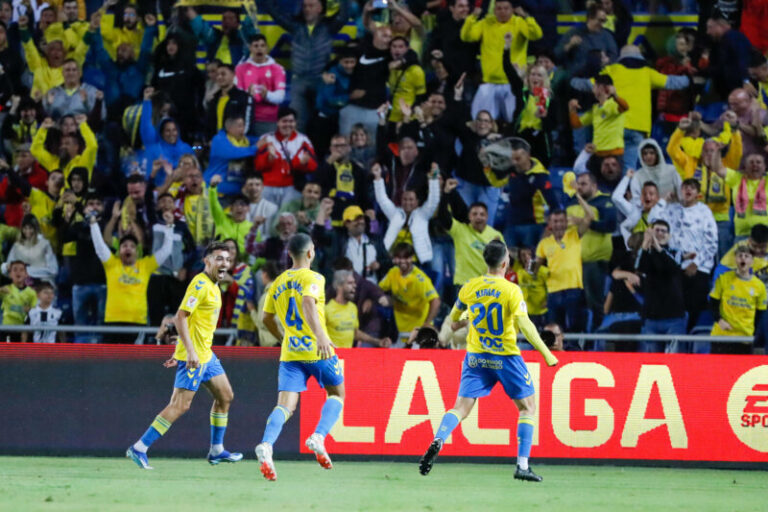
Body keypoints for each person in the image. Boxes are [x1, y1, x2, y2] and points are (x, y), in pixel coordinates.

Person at [418, 240, 558, 481]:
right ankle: (522, 466)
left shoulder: (469, 287)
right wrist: (547, 353)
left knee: (461, 407)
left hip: (476, 357)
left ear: (487, 261)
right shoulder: (511, 290)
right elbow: (525, 325)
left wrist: (470, 315)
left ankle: (439, 438)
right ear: (505, 262)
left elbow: (453, 320)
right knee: (527, 407)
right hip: (505, 357)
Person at [126, 243, 244, 470]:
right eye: (219, 258)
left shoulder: (214, 286)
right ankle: (140, 447)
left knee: (225, 396)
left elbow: (191, 322)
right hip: (195, 355)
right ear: (207, 261)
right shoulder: (200, 284)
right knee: (180, 405)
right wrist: (188, 352)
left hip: (205, 354)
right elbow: (180, 318)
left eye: (227, 260)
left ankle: (217, 450)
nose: (224, 264)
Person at [255, 233, 345, 481]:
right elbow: (307, 303)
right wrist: (321, 336)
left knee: (285, 406)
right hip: (316, 350)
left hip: (290, 352)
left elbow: (265, 319)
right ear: (310, 252)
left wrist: (283, 337)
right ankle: (318, 436)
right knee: (337, 393)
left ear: (289, 254)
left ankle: (266, 444)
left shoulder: (277, 282)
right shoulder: (314, 277)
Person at [89, 206, 174, 343]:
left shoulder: (145, 265)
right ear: (119, 251)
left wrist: (169, 226)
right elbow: (99, 246)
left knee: (134, 363)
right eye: (124, 246)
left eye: (132, 246)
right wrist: (93, 223)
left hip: (137, 322)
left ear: (137, 251)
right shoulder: (112, 264)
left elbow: (166, 251)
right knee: (109, 362)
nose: (128, 248)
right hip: (112, 321)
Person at [460, 0, 542, 122]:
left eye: (506, 8)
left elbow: (536, 35)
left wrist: (526, 17)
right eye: (499, 8)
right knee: (481, 120)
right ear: (494, 10)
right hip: (489, 82)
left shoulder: (519, 22)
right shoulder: (486, 23)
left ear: (512, 9)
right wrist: (472, 17)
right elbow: (466, 36)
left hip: (513, 84)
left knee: (515, 120)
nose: (502, 11)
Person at [534, 207, 593, 340]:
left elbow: (590, 216)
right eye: (555, 221)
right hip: (553, 291)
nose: (559, 224)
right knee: (554, 330)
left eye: (561, 221)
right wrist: (531, 265)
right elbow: (533, 268)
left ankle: (575, 355)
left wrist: (578, 197)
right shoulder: (544, 243)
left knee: (575, 329)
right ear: (550, 223)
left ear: (566, 222)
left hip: (574, 289)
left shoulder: (574, 234)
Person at [636, 220, 687, 353]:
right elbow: (639, 268)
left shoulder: (676, 252)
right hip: (652, 317)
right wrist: (645, 244)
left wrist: (657, 246)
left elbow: (672, 268)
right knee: (653, 364)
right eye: (656, 230)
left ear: (669, 235)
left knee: (676, 362)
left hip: (674, 317)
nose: (659, 233)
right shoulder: (646, 253)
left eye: (663, 231)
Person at [378, 243, 440, 347]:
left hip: (418, 333)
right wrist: (386, 298)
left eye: (406, 257)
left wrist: (427, 323)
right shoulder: (393, 273)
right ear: (394, 259)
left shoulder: (420, 279)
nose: (402, 261)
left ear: (412, 258)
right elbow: (378, 289)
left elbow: (436, 301)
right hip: (400, 332)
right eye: (399, 258)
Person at [710, 245, 767, 354]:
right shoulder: (723, 279)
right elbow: (713, 303)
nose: (743, 258)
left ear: (752, 261)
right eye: (740, 256)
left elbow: (760, 314)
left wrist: (751, 331)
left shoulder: (759, 286)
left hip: (744, 339)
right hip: (721, 337)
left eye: (747, 256)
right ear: (735, 259)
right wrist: (719, 320)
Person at [235, 34, 286, 137]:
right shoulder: (240, 68)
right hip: (244, 119)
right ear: (250, 48)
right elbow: (236, 93)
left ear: (267, 48)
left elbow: (280, 97)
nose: (259, 49)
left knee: (266, 151)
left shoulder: (277, 69)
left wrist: (267, 95)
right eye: (256, 46)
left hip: (268, 119)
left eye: (262, 46)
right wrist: (247, 95)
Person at [326, 270, 391, 349]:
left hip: (347, 357)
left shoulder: (352, 307)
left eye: (354, 282)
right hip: (331, 358)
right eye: (350, 283)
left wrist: (377, 341)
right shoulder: (326, 309)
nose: (354, 286)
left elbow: (355, 333)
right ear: (339, 286)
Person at [0, 261, 37, 341]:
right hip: (7, 328)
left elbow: (36, 311)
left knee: (19, 353)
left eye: (21, 270)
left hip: (22, 329)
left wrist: (30, 309)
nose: (18, 272)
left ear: (26, 274)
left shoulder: (31, 293)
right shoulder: (5, 289)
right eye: (15, 270)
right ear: (10, 275)